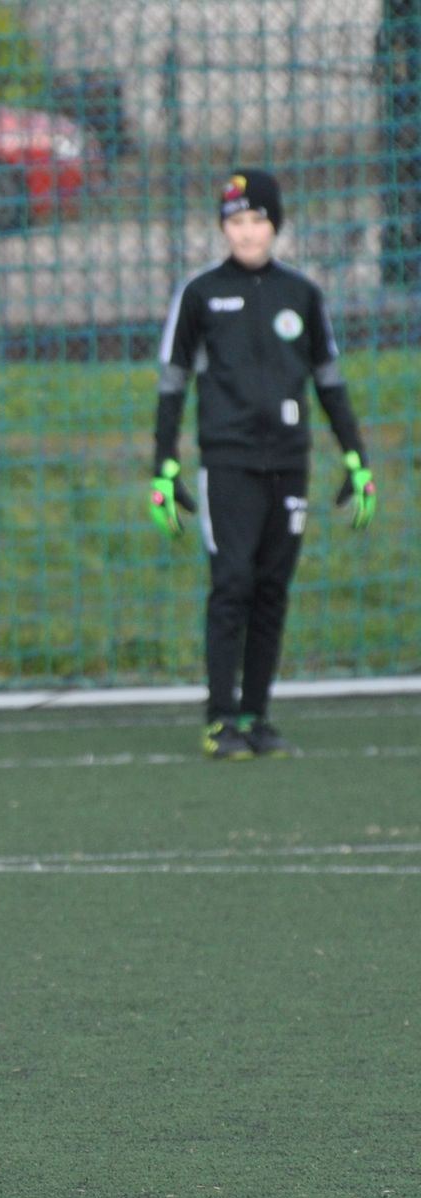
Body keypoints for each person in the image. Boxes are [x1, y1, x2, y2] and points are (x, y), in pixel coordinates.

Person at [150, 168, 378, 759]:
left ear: (275, 225)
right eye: (235, 221)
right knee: (232, 584)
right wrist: (163, 465)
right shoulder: (199, 295)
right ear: (223, 227)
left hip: (290, 462)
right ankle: (220, 718)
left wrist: (356, 459)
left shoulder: (302, 295)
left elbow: (329, 383)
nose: (247, 233)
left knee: (273, 588)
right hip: (227, 462)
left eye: (257, 220)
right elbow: (172, 385)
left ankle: (257, 714)